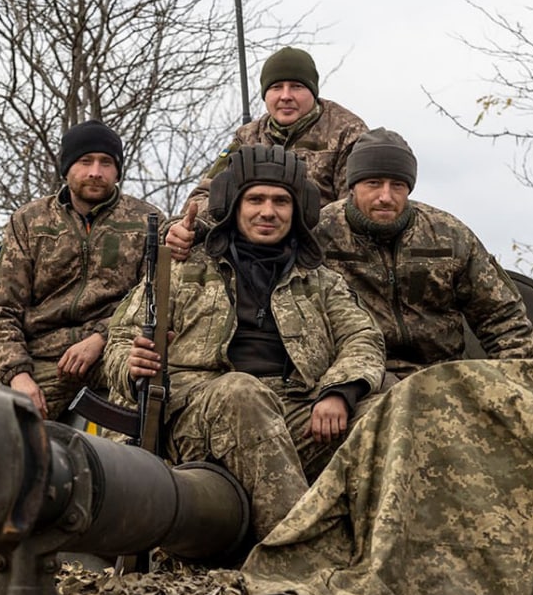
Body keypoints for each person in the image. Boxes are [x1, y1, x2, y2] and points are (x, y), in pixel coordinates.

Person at [104, 145, 385, 540]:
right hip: (195, 416)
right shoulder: (185, 269)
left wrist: (339, 391)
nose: (267, 212)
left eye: (280, 202)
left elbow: (362, 336)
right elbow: (121, 339)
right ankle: (297, 561)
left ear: (297, 210)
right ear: (233, 206)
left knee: (390, 408)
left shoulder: (318, 280)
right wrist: (130, 363)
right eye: (255, 199)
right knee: (241, 392)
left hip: (292, 411)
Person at [314, 128, 533, 386]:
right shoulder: (320, 235)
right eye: (373, 183)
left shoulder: (448, 236)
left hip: (442, 378)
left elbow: (502, 317)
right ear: (352, 186)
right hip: (357, 378)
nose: (385, 197)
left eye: (397, 185)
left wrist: (518, 383)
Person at [0, 121, 159, 420]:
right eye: (85, 161)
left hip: (115, 351)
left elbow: (154, 299)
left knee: (149, 401)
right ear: (66, 168)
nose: (95, 172)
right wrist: (18, 375)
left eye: (106, 163)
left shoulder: (147, 221)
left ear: (117, 171)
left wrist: (100, 338)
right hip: (44, 359)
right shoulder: (29, 222)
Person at [166, 47, 368, 259]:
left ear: (313, 91)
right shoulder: (248, 136)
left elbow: (354, 209)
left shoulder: (346, 131)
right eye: (276, 87)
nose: (286, 96)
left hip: (320, 253)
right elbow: (204, 196)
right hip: (250, 252)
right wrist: (189, 228)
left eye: (296, 87)